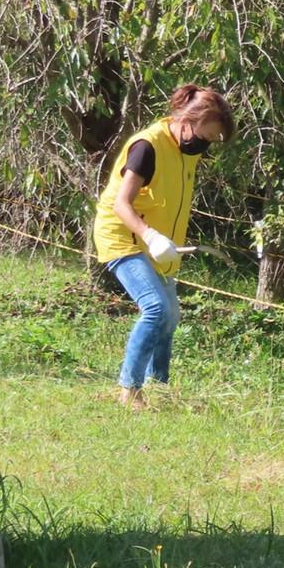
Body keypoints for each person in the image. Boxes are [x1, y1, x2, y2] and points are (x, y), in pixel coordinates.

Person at [92, 84, 235, 409]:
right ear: (186, 122)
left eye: (213, 141)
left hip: (159, 244)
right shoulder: (147, 147)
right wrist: (152, 236)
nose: (206, 145)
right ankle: (130, 391)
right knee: (156, 310)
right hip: (123, 236)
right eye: (205, 136)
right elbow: (121, 205)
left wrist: (161, 240)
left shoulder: (185, 152)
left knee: (171, 316)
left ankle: (160, 388)